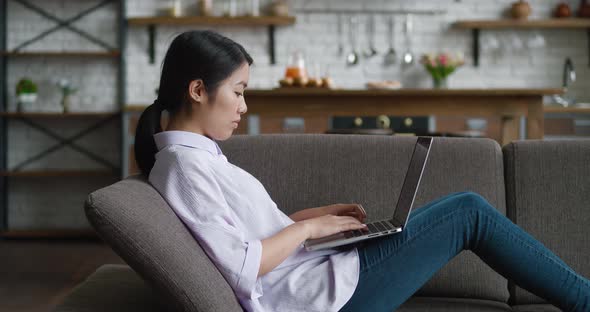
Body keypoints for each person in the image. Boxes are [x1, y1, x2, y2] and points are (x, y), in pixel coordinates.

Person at [134, 30, 590, 312]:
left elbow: (246, 237)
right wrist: (311, 227)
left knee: (459, 210)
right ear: (198, 90)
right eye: (238, 91)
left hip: (320, 276)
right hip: (320, 299)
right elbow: (242, 266)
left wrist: (318, 221)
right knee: (467, 211)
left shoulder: (199, 158)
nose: (244, 106)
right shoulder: (183, 166)